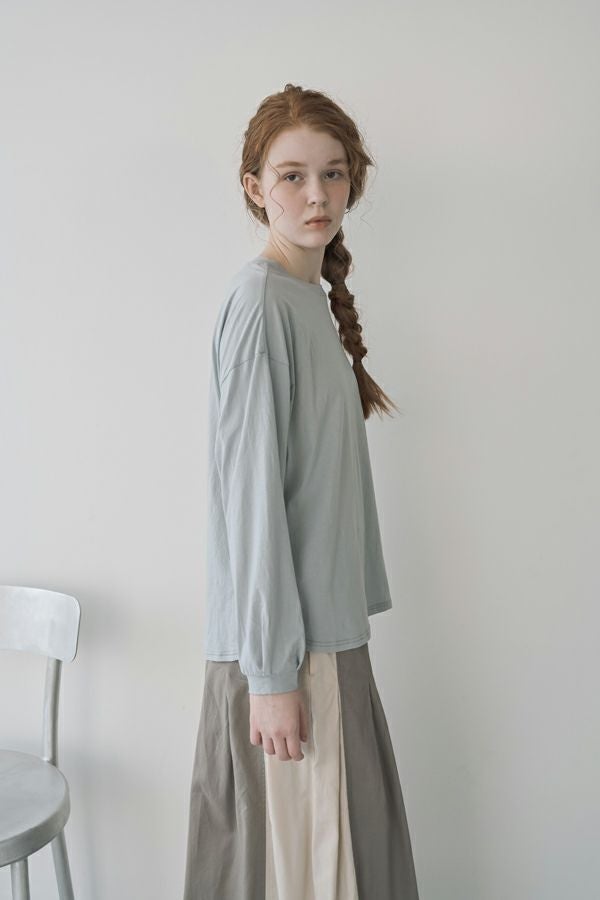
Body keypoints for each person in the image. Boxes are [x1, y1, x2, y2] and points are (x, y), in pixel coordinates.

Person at [183, 83, 420, 900]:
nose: (316, 194)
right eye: (292, 176)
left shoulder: (305, 300)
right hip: (291, 656)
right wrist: (272, 677)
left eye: (333, 173)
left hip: (323, 643)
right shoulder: (260, 304)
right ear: (255, 188)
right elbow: (251, 503)